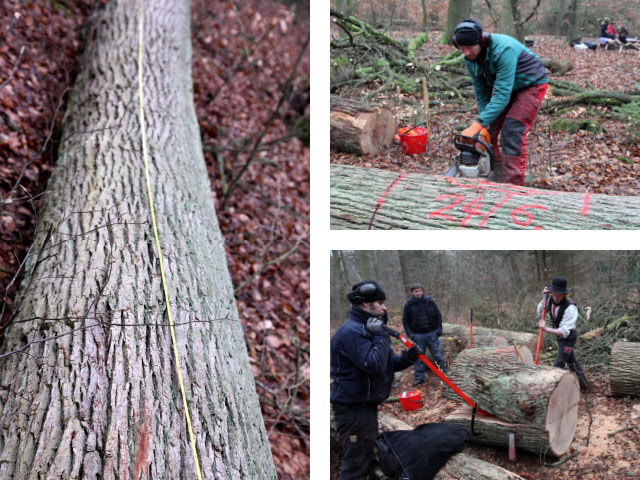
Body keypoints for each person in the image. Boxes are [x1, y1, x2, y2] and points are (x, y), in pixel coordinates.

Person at [331, 280, 422, 480]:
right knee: (355, 466)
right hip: (353, 412)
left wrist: (409, 356)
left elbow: (387, 364)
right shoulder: (352, 332)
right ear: (366, 304)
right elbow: (373, 364)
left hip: (365, 408)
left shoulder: (369, 328)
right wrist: (381, 337)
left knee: (363, 459)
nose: (384, 307)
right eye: (380, 303)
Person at [452, 19, 548, 186]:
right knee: (491, 128)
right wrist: (483, 123)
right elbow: (481, 92)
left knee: (512, 129)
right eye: (462, 48)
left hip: (530, 84)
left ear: (481, 42)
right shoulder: (470, 59)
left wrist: (477, 125)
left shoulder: (503, 50)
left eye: (469, 48)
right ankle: (496, 172)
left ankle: (513, 185)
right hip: (508, 87)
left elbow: (502, 95)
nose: (465, 52)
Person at [537, 276, 589, 391]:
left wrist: (546, 329)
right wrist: (544, 298)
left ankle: (549, 391)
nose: (555, 298)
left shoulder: (570, 308)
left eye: (558, 295)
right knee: (571, 361)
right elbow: (539, 310)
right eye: (553, 294)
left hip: (568, 339)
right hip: (560, 337)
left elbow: (564, 332)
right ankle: (584, 384)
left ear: (564, 294)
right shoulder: (550, 299)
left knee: (557, 366)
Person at [402, 283, 447, 385]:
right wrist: (411, 335)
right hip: (418, 335)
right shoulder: (409, 305)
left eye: (420, 291)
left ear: (422, 291)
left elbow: (438, 316)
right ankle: (419, 378)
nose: (418, 293)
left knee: (438, 355)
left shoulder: (429, 302)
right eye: (416, 291)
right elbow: (405, 321)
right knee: (419, 357)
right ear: (412, 292)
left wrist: (438, 330)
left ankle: (445, 373)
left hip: (431, 333)